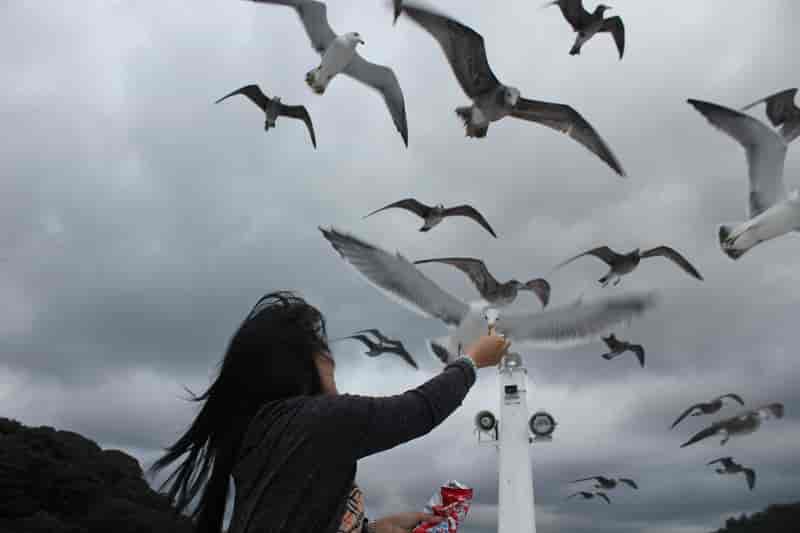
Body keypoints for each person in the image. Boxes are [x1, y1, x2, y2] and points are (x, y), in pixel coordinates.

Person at [150, 291, 511, 533]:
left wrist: (371, 530)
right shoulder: (315, 422)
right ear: (300, 367)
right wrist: (473, 361)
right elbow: (419, 410)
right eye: (331, 368)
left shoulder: (260, 434)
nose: (335, 384)